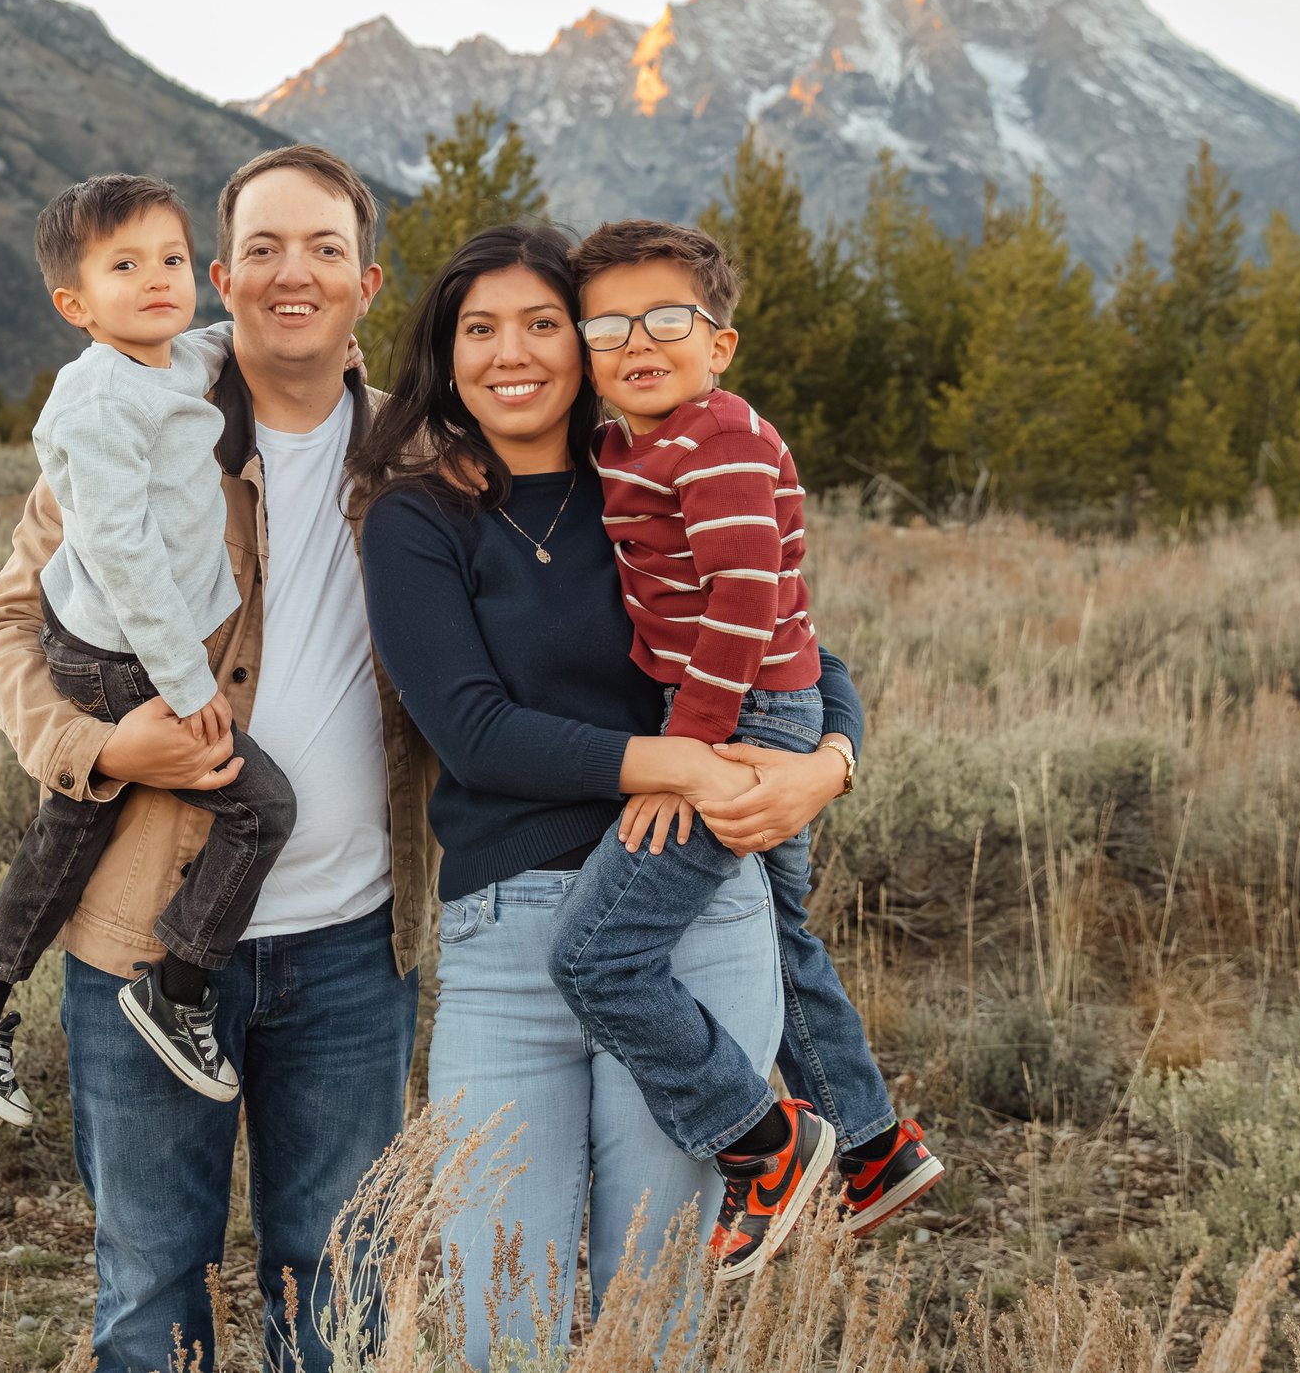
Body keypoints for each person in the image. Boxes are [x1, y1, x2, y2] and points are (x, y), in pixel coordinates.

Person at [350, 226, 864, 1363]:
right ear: (445, 353)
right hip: (507, 944)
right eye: (478, 329)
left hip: (691, 923)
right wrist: (674, 760)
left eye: (542, 323)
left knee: (655, 1317)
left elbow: (803, 654)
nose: (512, 353)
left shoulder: (658, 467)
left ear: (582, 350)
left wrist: (828, 767)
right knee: (501, 1311)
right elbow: (473, 733)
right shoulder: (418, 518)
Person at [0, 145, 434, 1373]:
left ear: (366, 282)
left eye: (324, 248)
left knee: (335, 1280)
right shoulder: (138, 418)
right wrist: (103, 743)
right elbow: (1, 634)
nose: (294, 273)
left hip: (349, 949)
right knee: (150, 1279)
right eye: (264, 248)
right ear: (223, 275)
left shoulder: (421, 460)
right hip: (141, 939)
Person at [544, 220, 945, 1266]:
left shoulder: (714, 435)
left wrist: (692, 749)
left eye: (668, 318)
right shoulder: (628, 440)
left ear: (719, 344)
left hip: (738, 713)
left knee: (595, 954)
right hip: (772, 705)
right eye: (609, 324)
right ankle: (871, 1145)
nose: (638, 339)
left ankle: (758, 1144)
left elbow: (739, 603)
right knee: (780, 938)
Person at [0, 174, 298, 1118]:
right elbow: (125, 556)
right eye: (125, 266)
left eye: (172, 260)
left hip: (123, 643)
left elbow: (216, 342)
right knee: (262, 809)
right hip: (117, 653)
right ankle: (175, 992)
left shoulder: (171, 360)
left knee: (73, 825)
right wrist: (183, 683)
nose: (159, 279)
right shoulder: (92, 402)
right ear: (75, 305)